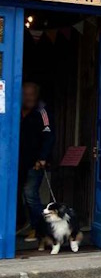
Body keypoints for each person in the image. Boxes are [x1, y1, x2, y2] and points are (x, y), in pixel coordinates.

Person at [18, 83, 54, 241]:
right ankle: (20, 224)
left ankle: (38, 229)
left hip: (36, 162)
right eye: (25, 94)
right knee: (14, 193)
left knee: (30, 194)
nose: (28, 97)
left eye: (31, 94)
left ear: (36, 95)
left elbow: (49, 136)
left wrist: (43, 157)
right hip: (17, 162)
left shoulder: (42, 111)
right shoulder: (14, 109)